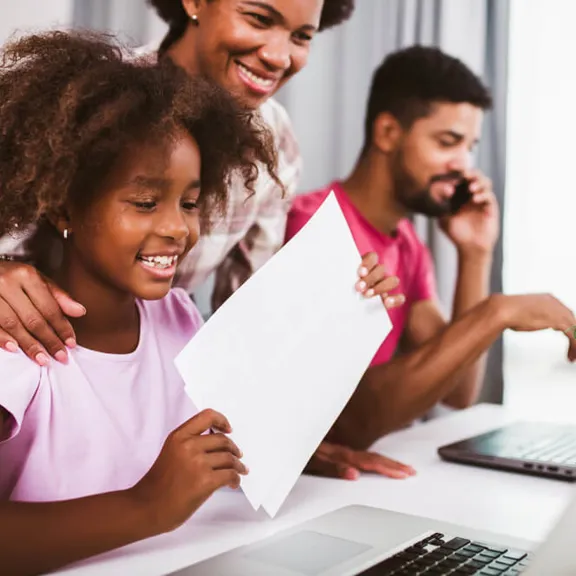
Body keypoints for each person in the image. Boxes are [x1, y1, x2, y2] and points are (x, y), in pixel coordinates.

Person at [0, 31, 404, 574]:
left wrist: (343, 306)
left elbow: (235, 426)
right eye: (145, 202)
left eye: (189, 202)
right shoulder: (16, 341)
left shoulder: (177, 318)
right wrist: (145, 507)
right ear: (63, 208)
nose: (176, 228)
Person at [286, 46, 576, 453]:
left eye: (470, 146)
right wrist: (498, 312)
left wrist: (476, 253)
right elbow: (348, 421)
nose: (463, 163)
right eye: (448, 141)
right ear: (388, 133)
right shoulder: (313, 226)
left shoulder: (408, 246)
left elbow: (457, 391)